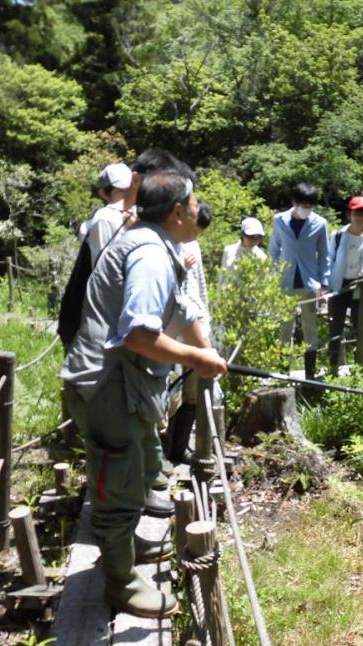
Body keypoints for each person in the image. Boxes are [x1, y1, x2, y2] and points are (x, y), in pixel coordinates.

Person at [61, 167, 227, 620]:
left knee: (135, 473)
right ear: (177, 211)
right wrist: (197, 360)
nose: (199, 209)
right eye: (194, 202)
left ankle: (123, 548)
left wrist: (204, 349)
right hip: (109, 388)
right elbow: (138, 334)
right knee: (118, 484)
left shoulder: (153, 243)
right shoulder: (151, 254)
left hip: (124, 387)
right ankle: (121, 583)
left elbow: (178, 311)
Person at [161, 201, 214, 467]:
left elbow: (199, 288)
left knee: (193, 395)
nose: (195, 236)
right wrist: (178, 267)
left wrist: (206, 323)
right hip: (171, 334)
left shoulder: (193, 245)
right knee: (171, 397)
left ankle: (179, 451)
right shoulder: (163, 243)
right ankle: (163, 458)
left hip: (196, 328)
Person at [270, 182, 330, 351]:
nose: (307, 209)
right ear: (294, 202)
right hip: (285, 281)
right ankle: (282, 371)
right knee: (285, 327)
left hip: (309, 282)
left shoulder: (320, 223)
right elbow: (274, 250)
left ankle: (310, 371)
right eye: (304, 206)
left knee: (310, 327)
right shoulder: (279, 220)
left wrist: (324, 283)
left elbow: (325, 254)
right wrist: (273, 277)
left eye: (310, 207)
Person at [326, 196, 363, 368]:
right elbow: (329, 260)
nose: (360, 217)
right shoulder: (337, 235)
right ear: (349, 214)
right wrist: (325, 287)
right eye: (356, 213)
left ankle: (359, 366)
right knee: (336, 327)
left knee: (359, 328)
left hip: (360, 287)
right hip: (339, 286)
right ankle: (333, 366)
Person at [78, 163, 136, 266]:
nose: (128, 195)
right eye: (121, 191)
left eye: (130, 189)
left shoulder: (139, 213)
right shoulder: (105, 218)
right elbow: (105, 270)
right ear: (103, 193)